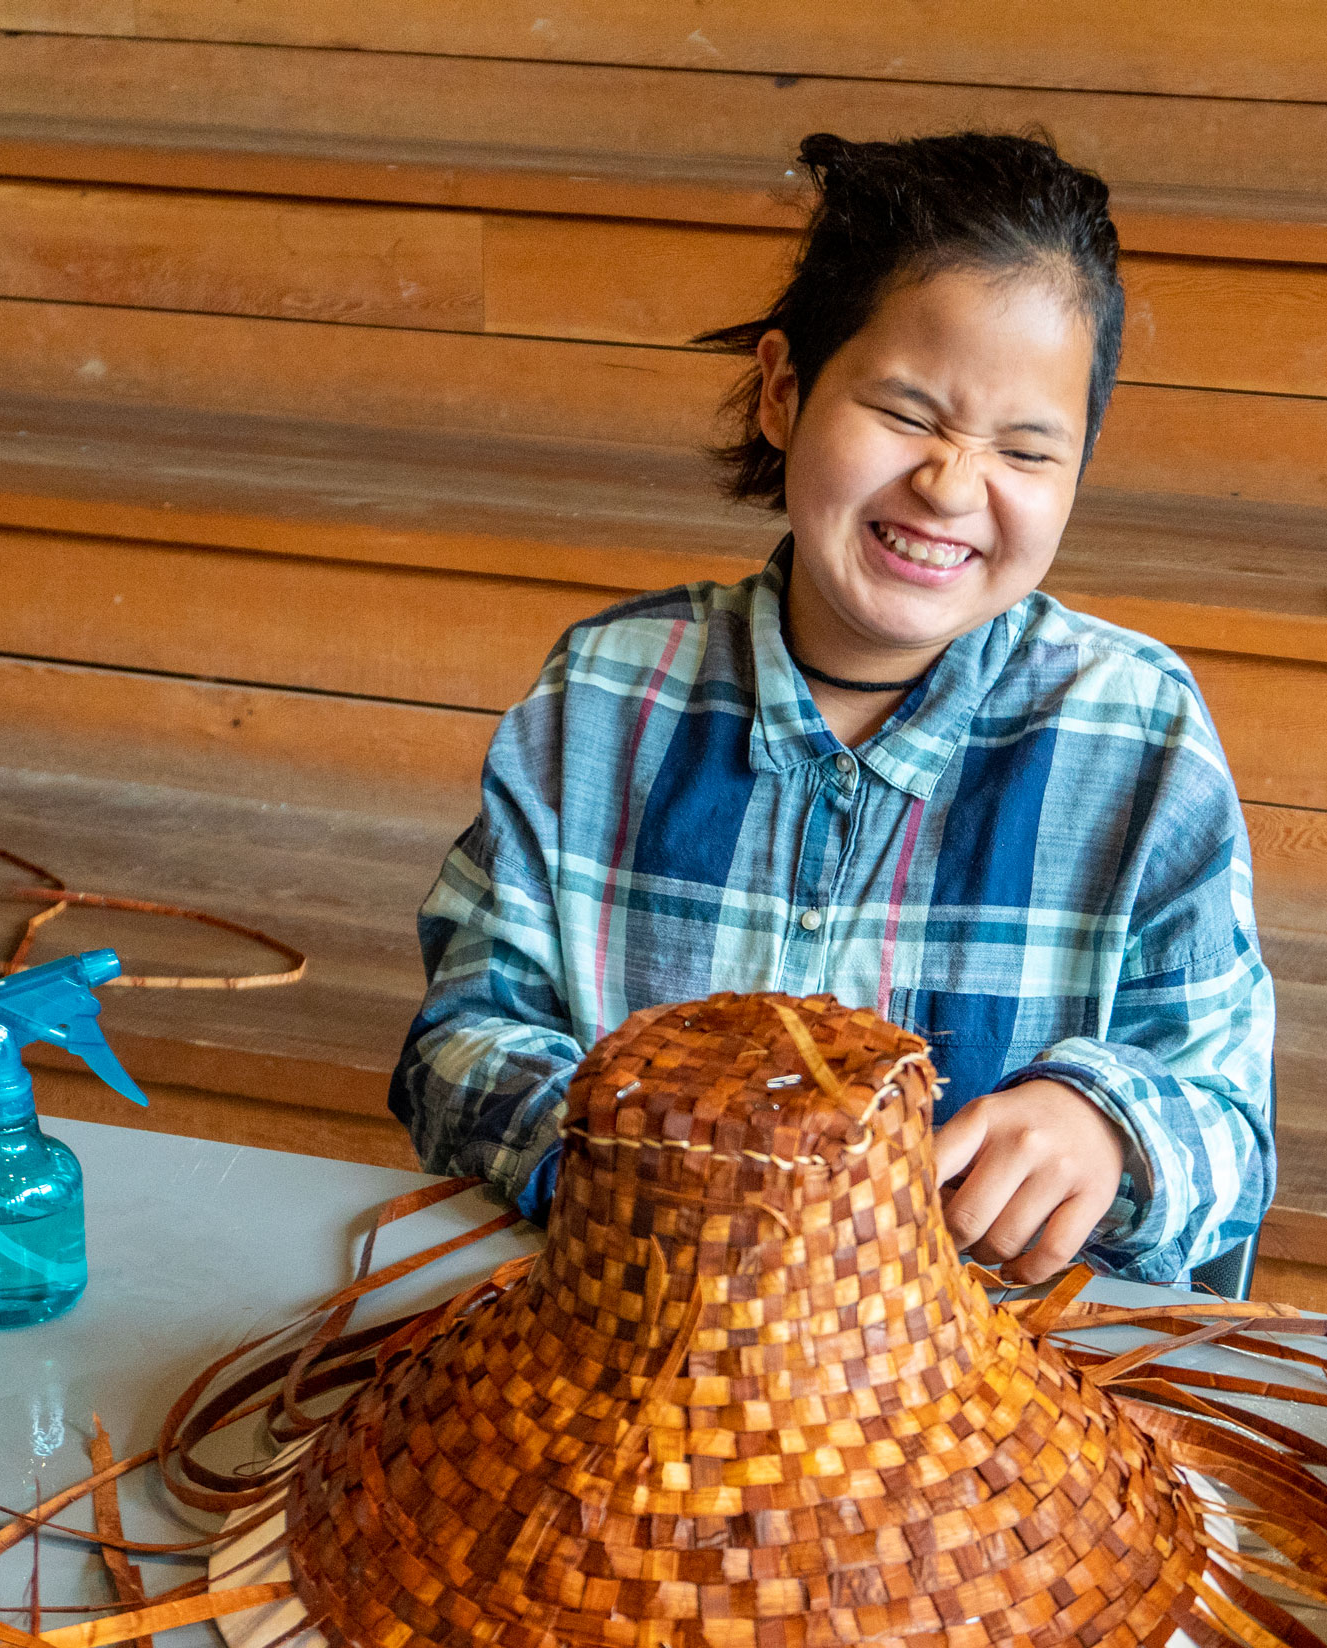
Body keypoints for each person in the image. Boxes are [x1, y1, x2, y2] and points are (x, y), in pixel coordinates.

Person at [390, 130, 1274, 1286]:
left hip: (999, 1407)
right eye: (907, 413)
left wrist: (1108, 1127)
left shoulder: (1140, 733)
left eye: (1025, 448)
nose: (953, 484)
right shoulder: (602, 694)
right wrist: (629, 1170)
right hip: (648, 1355)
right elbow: (462, 1039)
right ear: (783, 389)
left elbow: (1228, 1128)